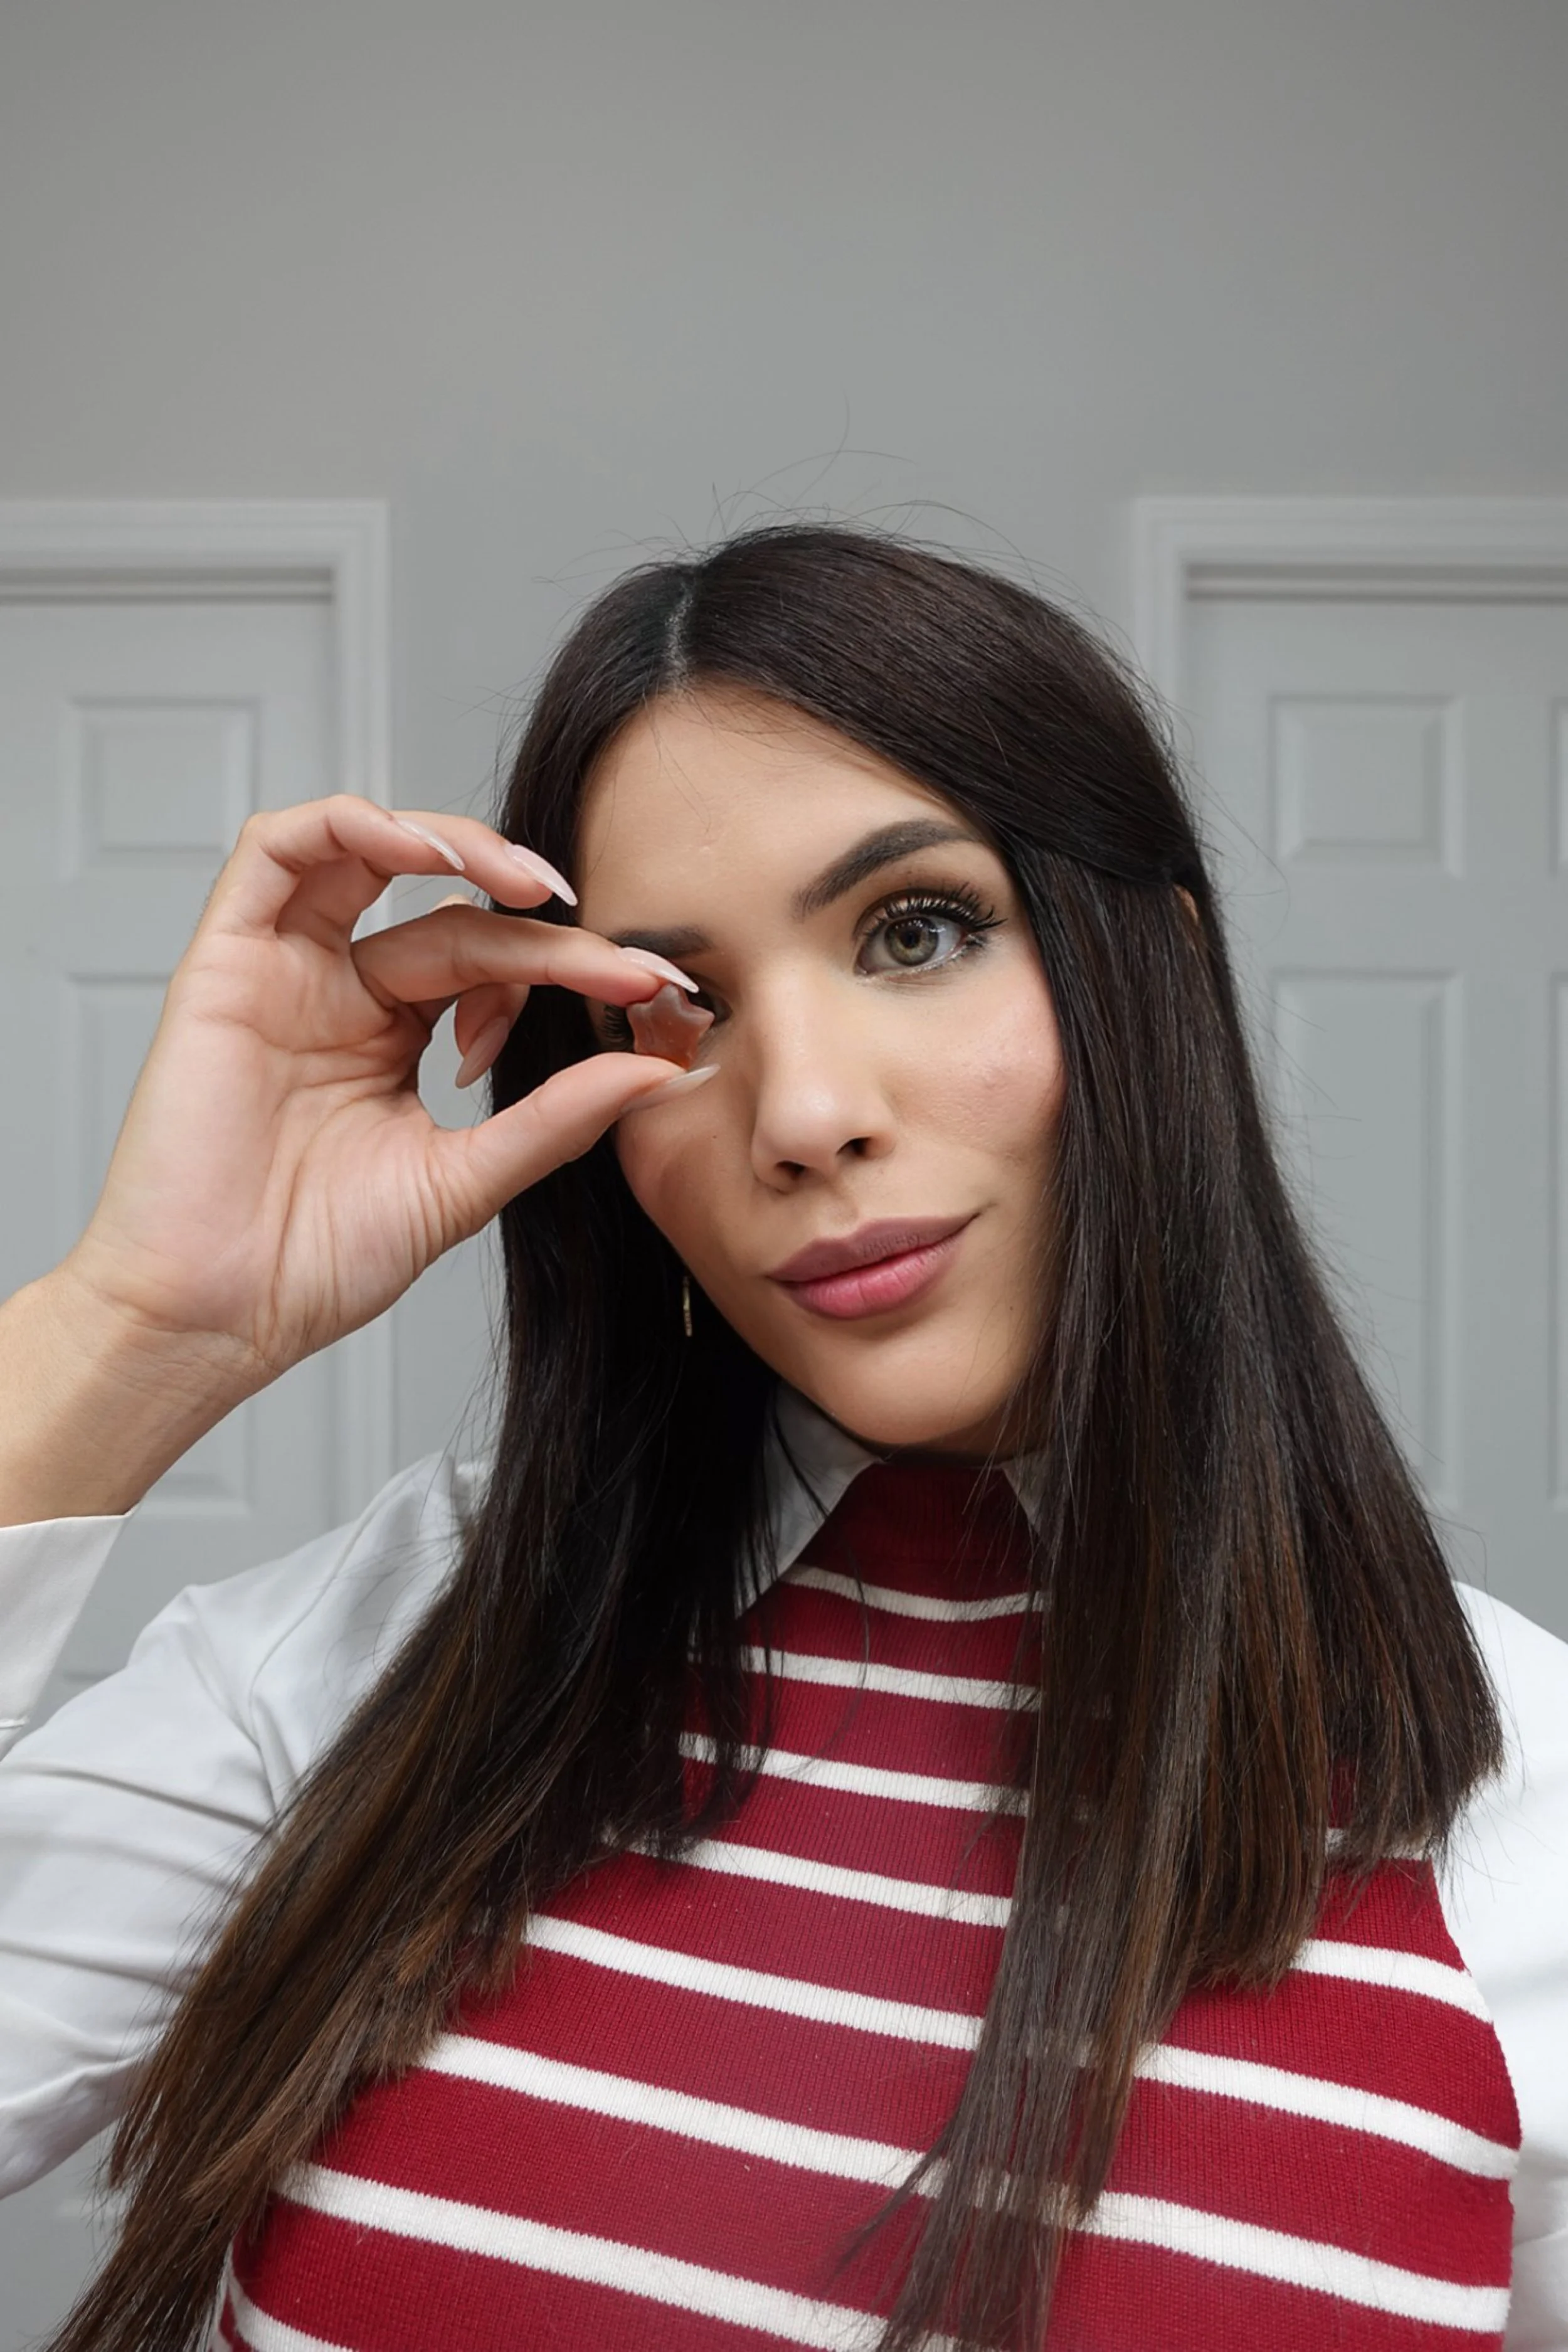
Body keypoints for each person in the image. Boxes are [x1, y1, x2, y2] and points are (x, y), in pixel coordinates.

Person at [0, 523, 1564, 2352]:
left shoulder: (1513, 1811)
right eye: (679, 1009)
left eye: (918, 930)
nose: (805, 1112)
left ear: (1155, 975)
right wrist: (137, 1322)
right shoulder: (402, 1648)